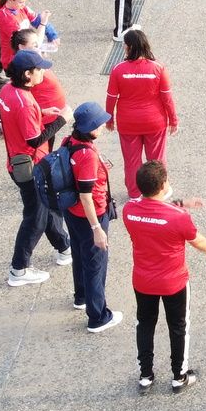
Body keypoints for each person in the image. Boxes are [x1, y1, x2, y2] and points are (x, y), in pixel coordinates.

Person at [125, 159, 206, 395]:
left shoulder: (129, 211)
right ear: (163, 184)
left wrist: (182, 203)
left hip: (143, 280)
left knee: (145, 324)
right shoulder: (178, 217)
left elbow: (151, 209)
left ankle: (145, 375)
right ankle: (179, 375)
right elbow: (196, 239)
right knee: (178, 327)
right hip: (173, 282)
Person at [0, 48, 67, 287]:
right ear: (27, 74)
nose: (43, 73)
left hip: (16, 161)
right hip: (31, 166)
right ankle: (19, 268)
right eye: (39, 70)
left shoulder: (8, 90)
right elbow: (35, 140)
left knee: (44, 209)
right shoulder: (25, 103)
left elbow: (15, 119)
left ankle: (64, 246)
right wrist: (62, 119)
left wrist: (41, 112)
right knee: (35, 217)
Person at [53, 100, 121, 334]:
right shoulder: (87, 155)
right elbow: (86, 196)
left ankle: (81, 296)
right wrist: (96, 228)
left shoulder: (69, 141)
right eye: (99, 124)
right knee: (96, 265)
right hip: (91, 215)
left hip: (71, 212)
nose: (102, 126)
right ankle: (98, 316)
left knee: (80, 255)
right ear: (90, 128)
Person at [107, 27, 177, 200]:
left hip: (128, 123)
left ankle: (134, 193)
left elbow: (111, 97)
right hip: (154, 121)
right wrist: (173, 120)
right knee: (157, 159)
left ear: (129, 47)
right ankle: (159, 190)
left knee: (131, 161)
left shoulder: (118, 69)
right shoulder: (158, 68)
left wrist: (109, 119)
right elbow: (167, 98)